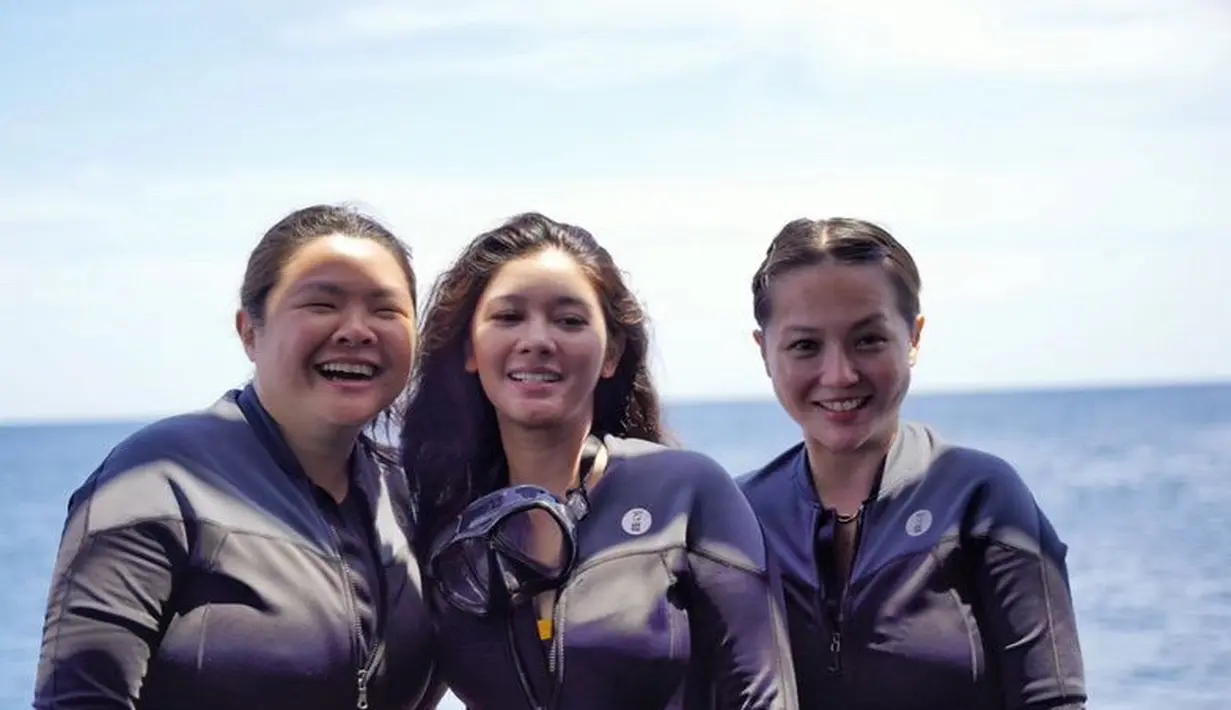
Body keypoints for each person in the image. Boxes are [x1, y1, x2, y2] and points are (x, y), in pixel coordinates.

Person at [32, 204, 444, 710]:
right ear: (250, 331)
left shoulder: (413, 498)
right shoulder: (159, 480)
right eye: (321, 304)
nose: (357, 330)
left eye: (385, 310)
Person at [401, 212, 798, 710]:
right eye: (508, 317)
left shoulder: (686, 492)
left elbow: (762, 695)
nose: (537, 340)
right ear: (470, 349)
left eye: (569, 321)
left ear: (611, 353)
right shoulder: (445, 524)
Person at [737, 217, 1087, 710]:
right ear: (764, 352)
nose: (839, 374)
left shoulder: (980, 499)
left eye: (868, 339)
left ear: (913, 338)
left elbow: (1053, 702)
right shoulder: (737, 520)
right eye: (805, 346)